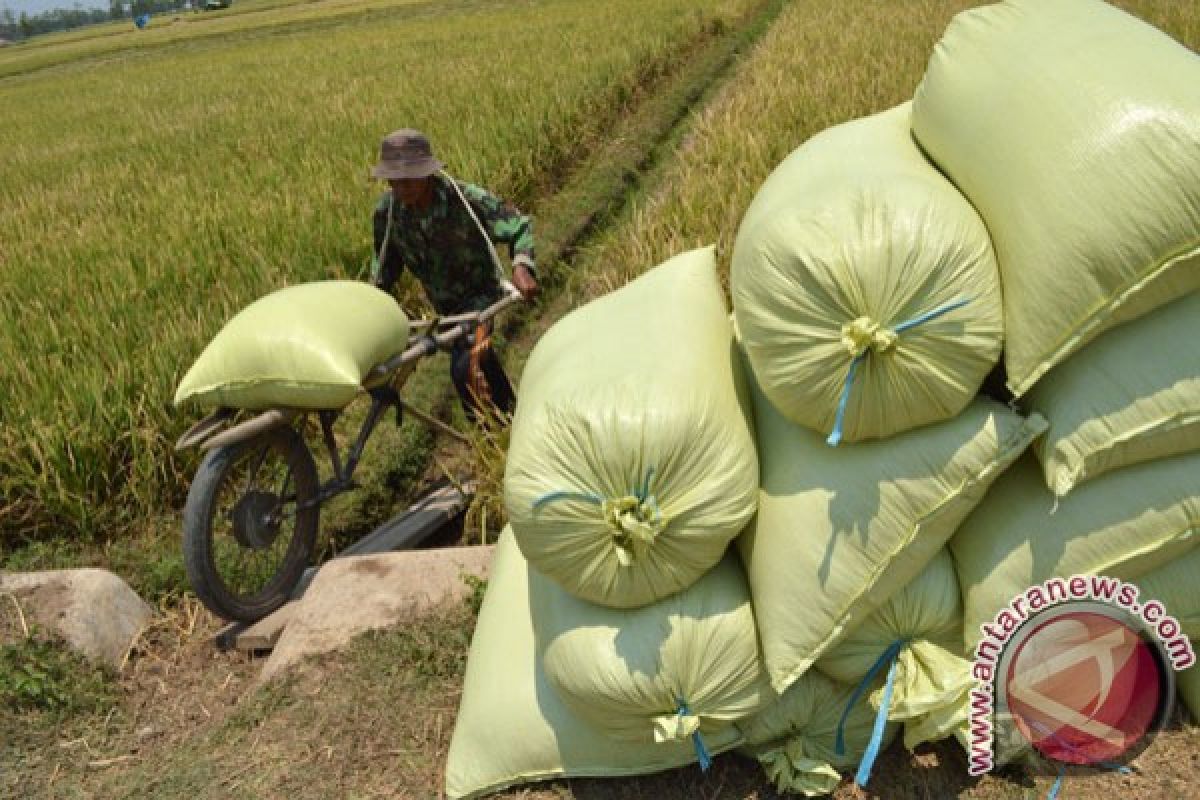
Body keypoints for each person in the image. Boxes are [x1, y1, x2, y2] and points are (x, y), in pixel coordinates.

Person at [369, 128, 539, 424]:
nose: (400, 188)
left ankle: (489, 444)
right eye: (393, 181)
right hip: (445, 311)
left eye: (407, 180)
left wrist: (522, 267)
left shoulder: (465, 199)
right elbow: (384, 271)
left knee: (466, 368)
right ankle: (515, 421)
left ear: (426, 173)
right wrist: (369, 309)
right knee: (480, 363)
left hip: (482, 297)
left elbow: (518, 226)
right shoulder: (388, 213)